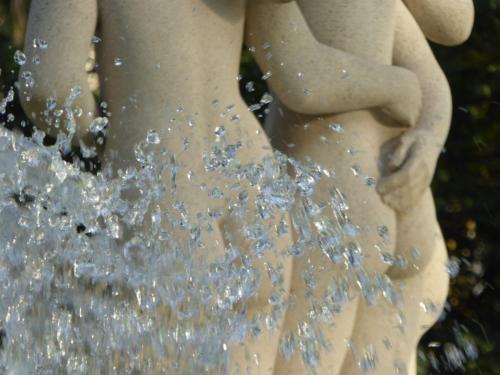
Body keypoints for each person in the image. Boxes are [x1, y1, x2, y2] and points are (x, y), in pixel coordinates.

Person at [18, 0, 294, 373]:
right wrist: (401, 91)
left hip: (162, 182)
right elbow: (304, 77)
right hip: (254, 184)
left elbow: (48, 85)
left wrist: (98, 141)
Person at [246, 0, 473, 373]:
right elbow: (432, 77)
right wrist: (427, 140)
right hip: (401, 197)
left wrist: (423, 132)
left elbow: (303, 80)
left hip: (338, 190)